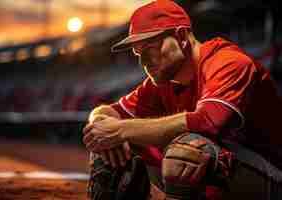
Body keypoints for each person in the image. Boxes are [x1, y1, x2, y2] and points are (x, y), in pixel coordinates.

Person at [83, 0, 282, 199]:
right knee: (108, 146)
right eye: (138, 52)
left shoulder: (229, 62)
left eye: (150, 48)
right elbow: (108, 111)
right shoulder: (162, 81)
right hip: (231, 171)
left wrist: (118, 130)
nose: (143, 61)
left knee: (189, 151)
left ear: (181, 37)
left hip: (272, 176)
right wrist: (100, 125)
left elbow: (207, 122)